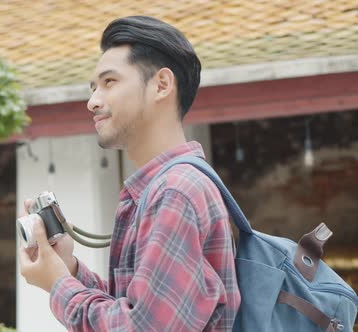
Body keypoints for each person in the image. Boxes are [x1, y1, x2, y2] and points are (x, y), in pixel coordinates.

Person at [18, 16, 241, 331]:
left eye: (110, 82)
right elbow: (136, 309)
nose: (93, 102)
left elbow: (139, 327)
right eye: (93, 88)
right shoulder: (168, 187)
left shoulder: (176, 192)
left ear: (161, 85)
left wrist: (57, 284)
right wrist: (67, 268)